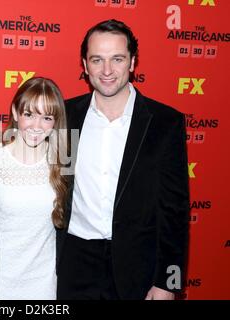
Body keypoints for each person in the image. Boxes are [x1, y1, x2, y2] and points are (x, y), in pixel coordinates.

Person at [57, 19, 190, 300]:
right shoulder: (65, 119)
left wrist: (170, 282)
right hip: (73, 266)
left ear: (132, 63)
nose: (107, 71)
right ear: (84, 65)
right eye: (97, 60)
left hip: (138, 269)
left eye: (117, 59)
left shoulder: (165, 124)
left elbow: (174, 213)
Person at [0, 77, 68, 300]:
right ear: (15, 112)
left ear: (55, 121)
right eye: (29, 114)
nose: (36, 126)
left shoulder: (63, 162)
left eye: (47, 117)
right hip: (0, 277)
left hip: (45, 282)